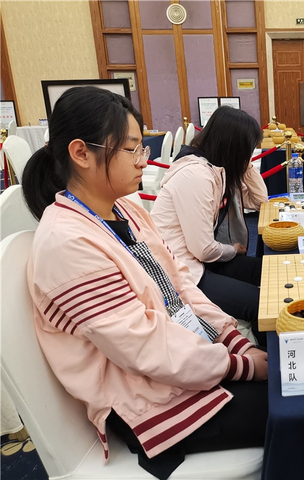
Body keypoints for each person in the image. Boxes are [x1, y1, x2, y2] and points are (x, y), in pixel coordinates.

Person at [21, 87, 268, 480]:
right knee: (298, 405)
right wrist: (241, 366)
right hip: (150, 404)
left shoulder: (124, 210)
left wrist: (233, 341)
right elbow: (146, 348)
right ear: (81, 153)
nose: (144, 160)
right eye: (132, 149)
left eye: (142, 148)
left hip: (180, 369)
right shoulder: (66, 243)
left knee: (294, 384)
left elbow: (180, 285)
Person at [151, 106, 267, 344]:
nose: (250, 155)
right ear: (234, 147)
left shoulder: (217, 170)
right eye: (248, 149)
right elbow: (203, 249)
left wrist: (246, 166)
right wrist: (233, 250)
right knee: (261, 304)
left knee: (267, 269)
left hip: (200, 261)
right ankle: (262, 354)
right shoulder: (196, 176)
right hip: (181, 271)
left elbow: (260, 202)